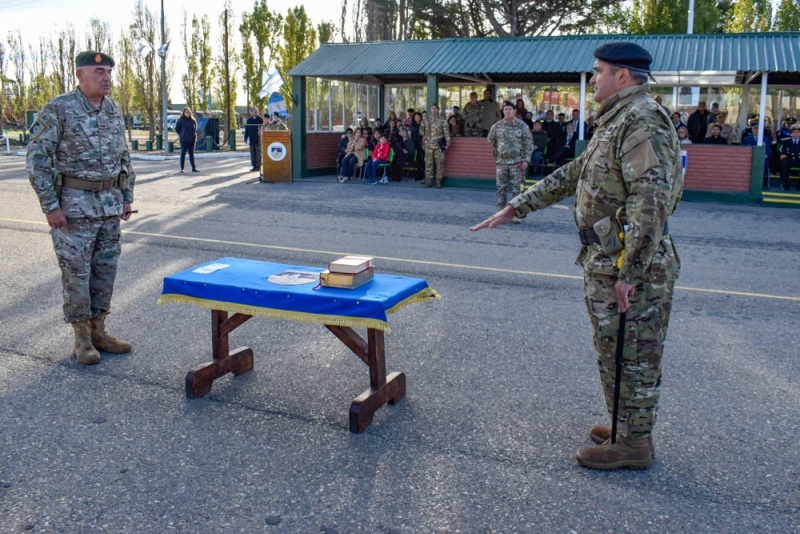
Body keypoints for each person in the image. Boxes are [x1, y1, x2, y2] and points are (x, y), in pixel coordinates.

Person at [471, 42, 683, 471]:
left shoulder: (641, 120)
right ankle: (627, 428)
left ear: (622, 76)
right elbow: (574, 173)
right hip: (606, 258)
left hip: (627, 266)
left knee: (633, 354)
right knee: (613, 349)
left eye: (598, 71)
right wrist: (518, 206)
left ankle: (634, 445)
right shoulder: (618, 120)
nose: (593, 79)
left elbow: (651, 200)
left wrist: (631, 270)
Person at [27, 50, 136, 365]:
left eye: (109, 72)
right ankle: (82, 339)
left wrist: (126, 195)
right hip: (73, 208)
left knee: (105, 271)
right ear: (79, 75)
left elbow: (123, 156)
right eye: (99, 72)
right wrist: (50, 205)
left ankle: (99, 330)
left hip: (108, 206)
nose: (107, 78)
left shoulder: (113, 109)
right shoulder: (58, 109)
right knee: (76, 274)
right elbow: (37, 160)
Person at [487, 100, 533, 223]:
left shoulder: (522, 126)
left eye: (510, 109)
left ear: (515, 111)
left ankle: (515, 214)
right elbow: (491, 140)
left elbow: (528, 143)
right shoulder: (497, 126)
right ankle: (500, 213)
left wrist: (526, 160)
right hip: (501, 162)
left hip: (516, 162)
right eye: (506, 109)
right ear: (503, 111)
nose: (507, 111)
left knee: (516, 189)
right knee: (501, 188)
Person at [421, 103, 450, 188]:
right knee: (428, 164)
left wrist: (448, 144)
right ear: (430, 110)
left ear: (438, 110)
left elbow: (446, 133)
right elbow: (421, 131)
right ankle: (428, 181)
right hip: (428, 146)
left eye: (435, 108)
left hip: (438, 145)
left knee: (439, 164)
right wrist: (424, 136)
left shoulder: (443, 121)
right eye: (432, 108)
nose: (434, 110)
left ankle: (438, 181)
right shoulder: (426, 120)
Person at [175, 107, 198, 173]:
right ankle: (182, 168)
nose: (187, 113)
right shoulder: (181, 120)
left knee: (191, 154)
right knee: (183, 153)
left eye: (188, 112)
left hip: (192, 139)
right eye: (186, 112)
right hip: (184, 139)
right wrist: (182, 134)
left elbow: (195, 129)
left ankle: (193, 168)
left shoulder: (193, 120)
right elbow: (177, 129)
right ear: (183, 113)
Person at [779, 124, 800, 191]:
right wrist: (784, 159)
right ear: (791, 133)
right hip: (789, 160)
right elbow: (782, 152)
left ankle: (799, 186)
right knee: (784, 164)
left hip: (799, 160)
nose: (796, 134)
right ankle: (786, 184)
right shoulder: (786, 141)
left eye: (798, 132)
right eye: (794, 132)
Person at [244, 106, 263, 172]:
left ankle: (258, 166)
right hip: (251, 139)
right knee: (252, 153)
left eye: (256, 111)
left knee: (258, 153)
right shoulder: (249, 120)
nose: (255, 112)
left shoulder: (260, 119)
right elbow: (247, 130)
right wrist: (245, 138)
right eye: (253, 111)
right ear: (251, 112)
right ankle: (254, 165)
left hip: (258, 139)